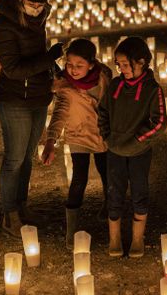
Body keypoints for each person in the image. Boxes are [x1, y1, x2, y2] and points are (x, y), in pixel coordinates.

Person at [0, 0, 64, 238]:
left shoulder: (39, 18)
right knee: (14, 158)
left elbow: (37, 54)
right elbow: (12, 69)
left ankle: (22, 206)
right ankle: (10, 215)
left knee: (28, 157)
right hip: (14, 100)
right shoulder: (4, 24)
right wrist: (49, 58)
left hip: (37, 96)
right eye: (32, 4)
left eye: (41, 4)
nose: (37, 8)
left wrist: (54, 70)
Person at [99, 36, 167, 258]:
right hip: (114, 151)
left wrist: (137, 139)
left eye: (125, 64)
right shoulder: (116, 86)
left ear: (141, 62)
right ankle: (115, 238)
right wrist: (106, 135)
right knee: (114, 193)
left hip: (139, 153)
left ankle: (138, 238)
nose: (121, 69)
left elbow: (159, 122)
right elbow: (103, 111)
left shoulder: (152, 89)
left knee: (139, 193)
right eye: (118, 65)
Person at [41, 38, 113, 247]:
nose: (73, 70)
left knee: (107, 173)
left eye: (79, 65)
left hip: (102, 135)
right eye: (69, 64)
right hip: (78, 135)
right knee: (79, 179)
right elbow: (60, 113)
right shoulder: (65, 86)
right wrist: (50, 141)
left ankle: (110, 208)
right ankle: (71, 228)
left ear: (92, 64)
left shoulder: (104, 76)